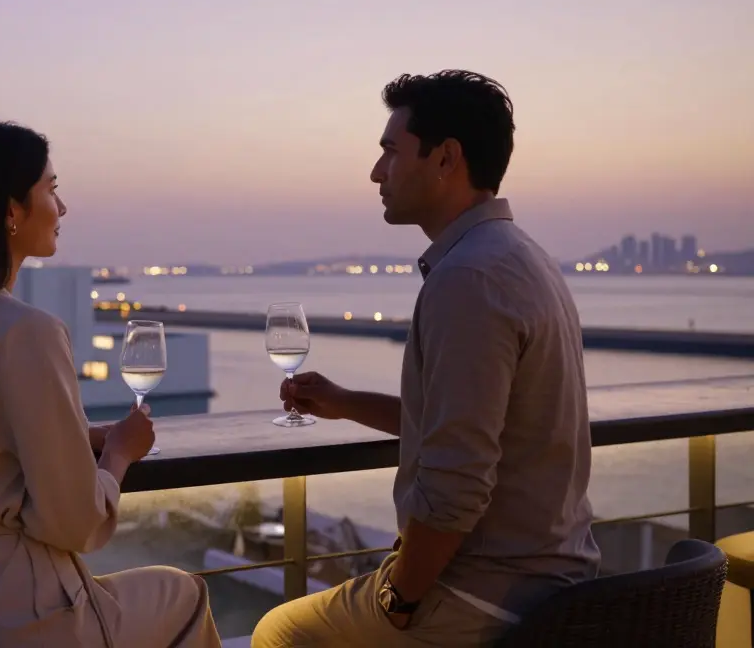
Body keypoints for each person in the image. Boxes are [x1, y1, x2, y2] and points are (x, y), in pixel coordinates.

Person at [252, 70, 601, 647]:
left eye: (391, 150)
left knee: (280, 631)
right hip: (556, 577)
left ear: (445, 159)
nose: (376, 171)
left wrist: (401, 597)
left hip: (484, 594)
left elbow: (458, 481)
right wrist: (344, 402)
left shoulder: (467, 280)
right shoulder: (522, 258)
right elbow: (474, 425)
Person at [0, 120, 222, 647]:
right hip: (19, 618)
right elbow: (76, 524)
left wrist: (78, 434)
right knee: (185, 593)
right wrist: (119, 454)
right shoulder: (25, 332)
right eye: (52, 190)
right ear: (11, 210)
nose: (63, 208)